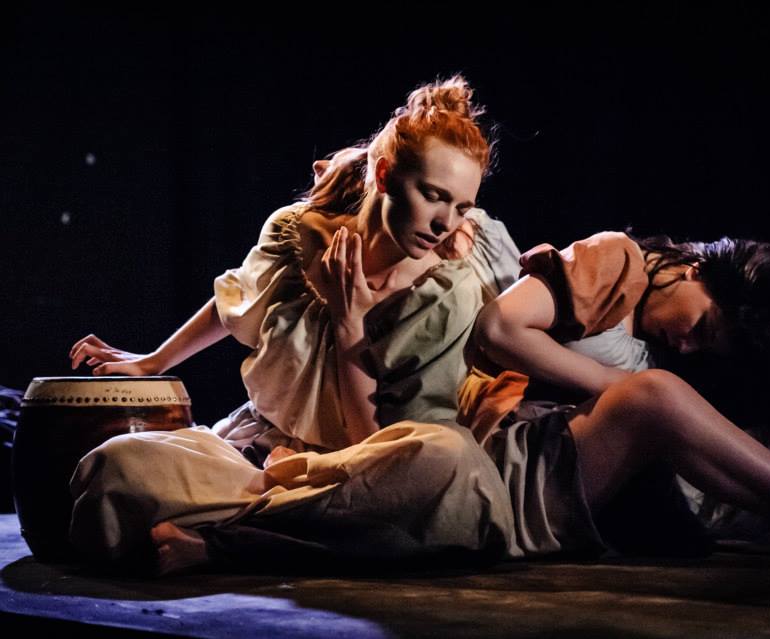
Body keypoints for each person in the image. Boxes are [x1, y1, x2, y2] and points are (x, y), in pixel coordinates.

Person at [65, 76, 525, 575]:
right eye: (433, 195)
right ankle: (289, 527)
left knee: (451, 465)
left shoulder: (447, 292)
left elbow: (375, 449)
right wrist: (155, 361)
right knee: (113, 468)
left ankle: (229, 544)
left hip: (360, 478)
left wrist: (350, 326)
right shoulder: (295, 232)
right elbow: (237, 300)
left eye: (461, 207)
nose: (445, 223)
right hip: (261, 463)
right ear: (384, 174)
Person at [465, 231, 770, 566]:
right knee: (657, 394)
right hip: (534, 458)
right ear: (695, 270)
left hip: (621, 492)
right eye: (701, 326)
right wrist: (612, 383)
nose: (687, 345)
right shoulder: (617, 259)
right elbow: (499, 326)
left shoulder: (666, 352)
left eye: (704, 345)